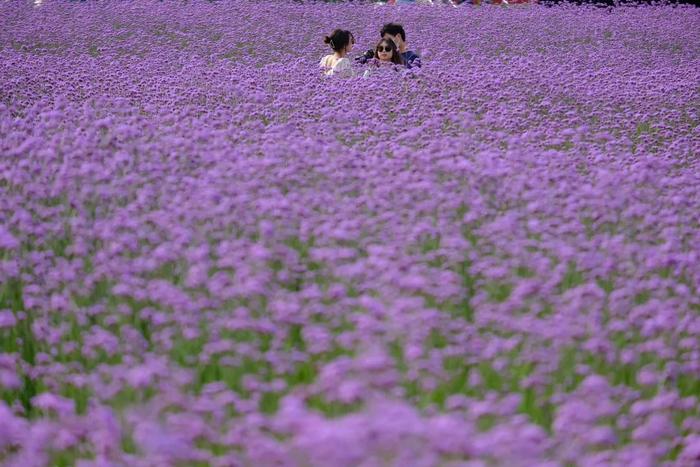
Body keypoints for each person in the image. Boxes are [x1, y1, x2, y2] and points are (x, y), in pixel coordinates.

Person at [356, 23, 421, 69]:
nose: (386, 42)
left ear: (398, 37)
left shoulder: (412, 57)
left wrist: (396, 51)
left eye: (388, 39)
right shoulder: (385, 55)